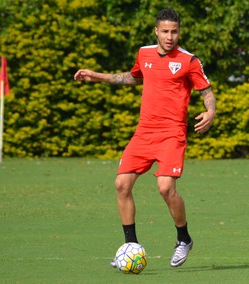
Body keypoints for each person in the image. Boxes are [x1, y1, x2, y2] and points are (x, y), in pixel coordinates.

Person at [74, 8, 216, 268]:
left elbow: (206, 91)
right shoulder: (144, 53)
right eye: (165, 31)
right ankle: (130, 246)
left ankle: (183, 238)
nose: (169, 36)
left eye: (174, 31)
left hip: (172, 133)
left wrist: (211, 111)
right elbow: (133, 77)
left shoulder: (189, 61)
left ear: (179, 32)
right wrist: (96, 76)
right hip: (144, 132)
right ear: (156, 31)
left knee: (165, 188)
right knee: (121, 185)